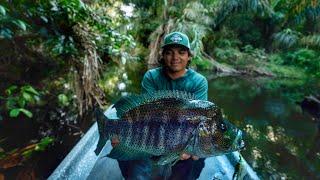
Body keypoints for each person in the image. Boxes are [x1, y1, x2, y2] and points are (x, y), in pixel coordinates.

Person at [114, 31, 208, 180]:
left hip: (183, 135)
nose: (175, 57)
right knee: (126, 151)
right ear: (163, 56)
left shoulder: (199, 82)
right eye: (169, 53)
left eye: (181, 52)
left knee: (198, 156)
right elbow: (146, 111)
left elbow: (198, 118)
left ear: (189, 56)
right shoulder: (151, 76)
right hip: (152, 130)